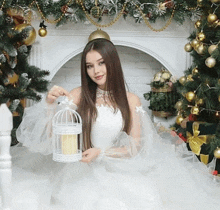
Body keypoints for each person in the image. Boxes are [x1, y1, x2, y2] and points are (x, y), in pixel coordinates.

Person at [11, 38, 220, 210]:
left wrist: (101, 152)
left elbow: (134, 147)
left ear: (112, 63)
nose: (96, 71)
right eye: (90, 66)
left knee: (141, 199)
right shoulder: (78, 95)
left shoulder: (131, 100)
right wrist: (49, 106)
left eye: (101, 63)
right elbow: (50, 139)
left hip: (119, 167)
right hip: (79, 169)